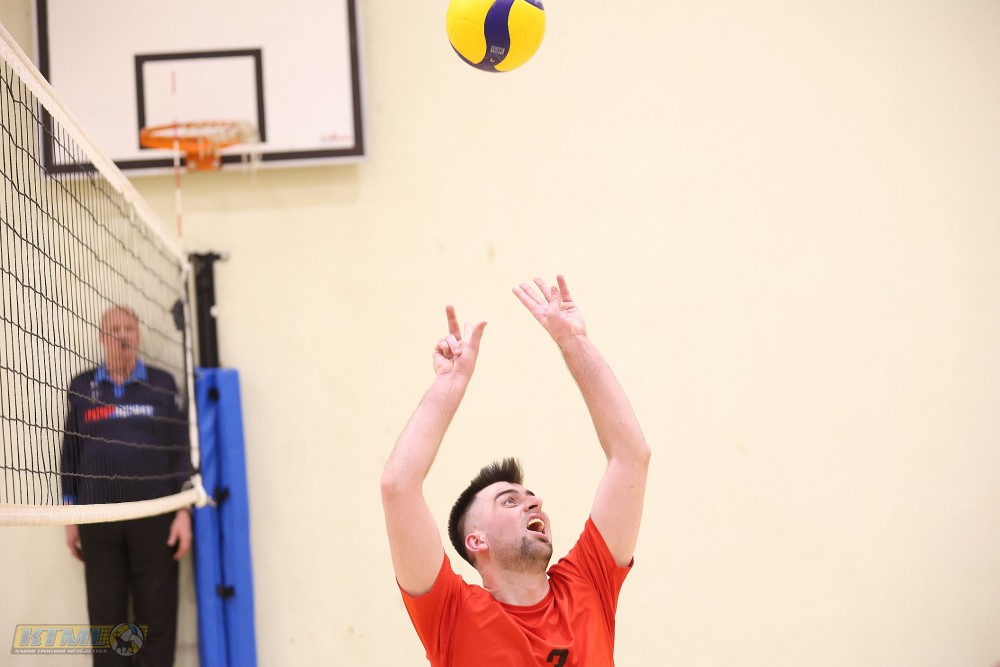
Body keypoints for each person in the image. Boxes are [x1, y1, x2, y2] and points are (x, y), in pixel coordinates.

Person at [381, 275, 651, 666]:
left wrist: (574, 341)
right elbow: (398, 486)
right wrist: (450, 383)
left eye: (530, 497)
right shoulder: (451, 615)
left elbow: (632, 456)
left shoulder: (588, 583)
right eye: (509, 501)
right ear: (476, 541)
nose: (535, 503)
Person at [61, 305, 193, 667]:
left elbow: (180, 449)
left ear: (138, 336)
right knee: (107, 623)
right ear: (102, 338)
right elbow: (71, 453)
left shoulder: (162, 385)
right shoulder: (82, 387)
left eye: (129, 329)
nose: (122, 335)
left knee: (157, 619)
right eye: (114, 329)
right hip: (99, 519)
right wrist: (70, 516)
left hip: (156, 517)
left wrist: (183, 512)